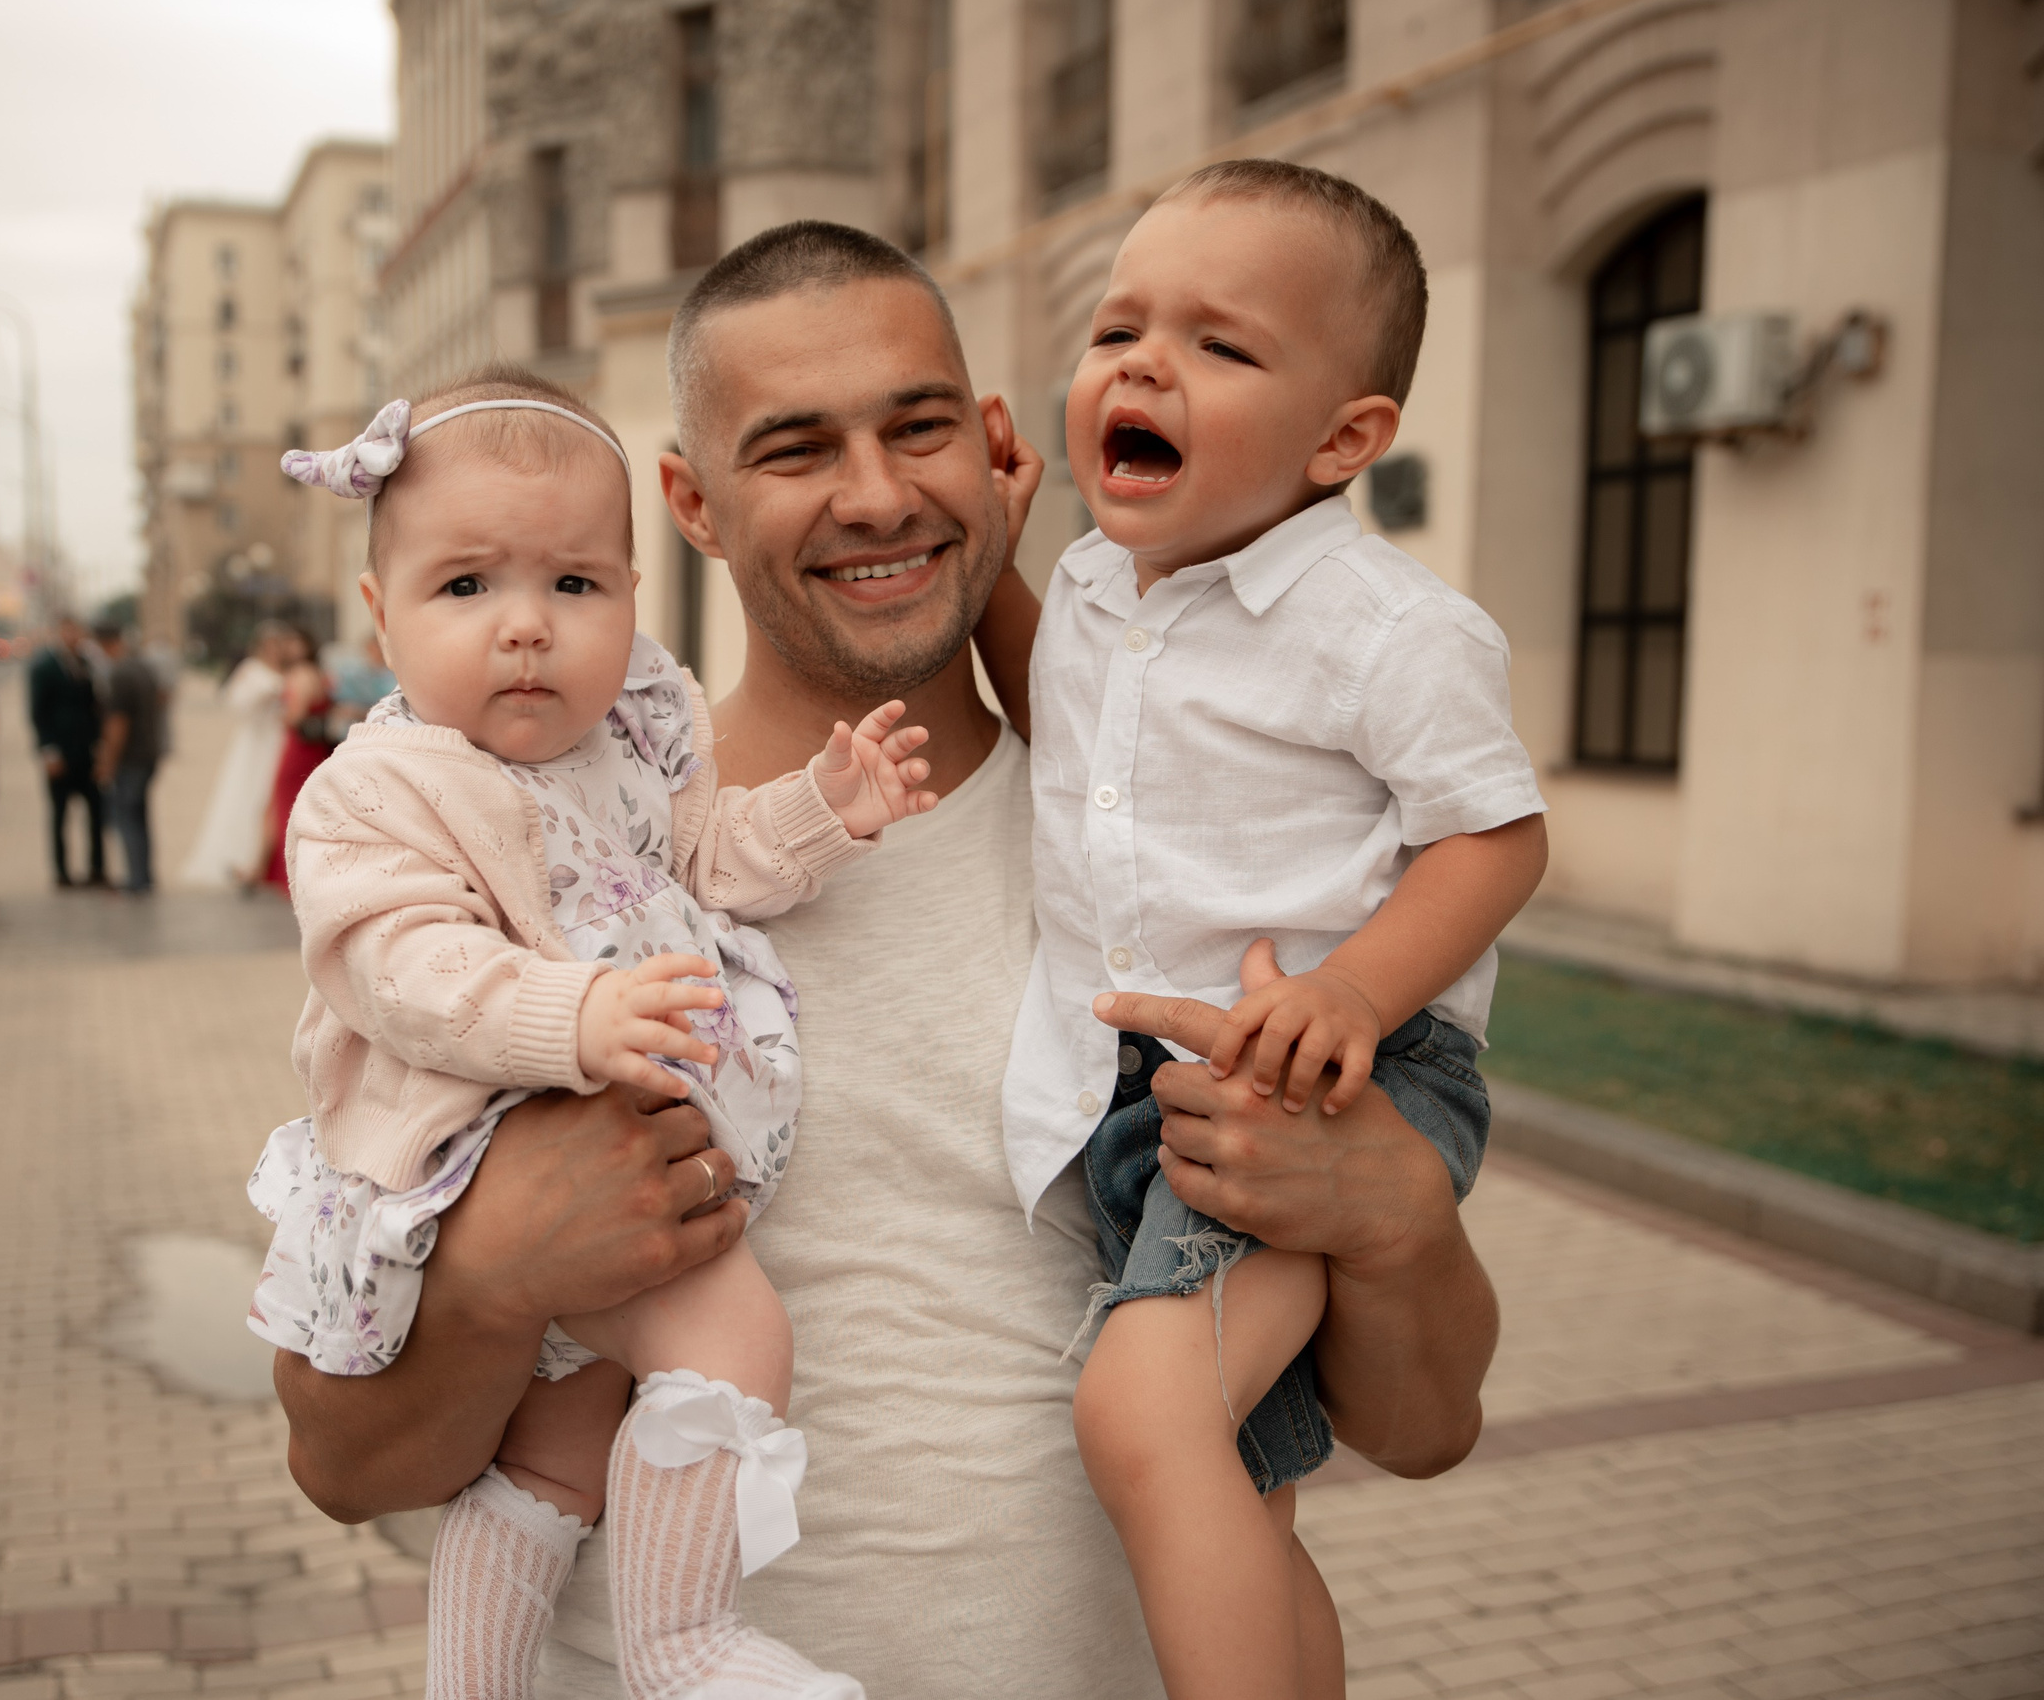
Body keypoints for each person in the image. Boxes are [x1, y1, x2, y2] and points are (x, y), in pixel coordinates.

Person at [271, 222, 1502, 1700]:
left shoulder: (1195, 868)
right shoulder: (532, 875)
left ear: (993, 450)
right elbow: (343, 1462)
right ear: (693, 501)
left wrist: (1397, 1218)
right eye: (794, 449)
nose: (874, 495)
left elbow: (1427, 1427)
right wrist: (491, 1276)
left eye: (918, 428)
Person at [257, 370, 936, 1700]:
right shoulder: (373, 791)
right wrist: (576, 1013)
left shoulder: (631, 742)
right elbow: (400, 966)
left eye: (574, 586)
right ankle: (682, 1639)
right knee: (735, 1335)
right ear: (379, 614)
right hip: (499, 1156)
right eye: (467, 588)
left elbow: (709, 857)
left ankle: (474, 1682)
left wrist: (825, 809)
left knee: (554, 1455)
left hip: (623, 1147)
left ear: (632, 595)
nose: (525, 628)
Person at [972, 161, 1549, 1699]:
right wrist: (988, 587)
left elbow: (1495, 834)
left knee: (1142, 1412)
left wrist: (1357, 990)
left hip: (1326, 1071)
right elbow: (1063, 716)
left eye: (1221, 346)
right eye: (1117, 331)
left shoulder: (1384, 627)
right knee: (1239, 1484)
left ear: (1344, 437)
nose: (1145, 366)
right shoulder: (1100, 585)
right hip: (1150, 1093)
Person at [179, 621, 295, 890]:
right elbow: (235, 703)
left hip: (279, 739)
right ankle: (244, 857)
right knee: (251, 795)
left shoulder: (287, 670)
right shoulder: (251, 670)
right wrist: (267, 694)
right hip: (256, 741)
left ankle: (267, 860)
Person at [28, 616, 107, 889]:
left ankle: (97, 868)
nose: (73, 636)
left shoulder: (88, 663)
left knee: (97, 812)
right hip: (61, 750)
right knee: (60, 814)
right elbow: (38, 712)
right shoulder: (45, 667)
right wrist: (48, 751)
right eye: (68, 631)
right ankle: (61, 871)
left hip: (87, 749)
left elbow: (96, 705)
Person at [257, 625, 337, 893]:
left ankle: (286, 871)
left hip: (297, 748)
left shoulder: (299, 674)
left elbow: (296, 715)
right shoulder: (319, 673)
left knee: (286, 806)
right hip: (315, 749)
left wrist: (277, 714)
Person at [92, 621, 165, 895]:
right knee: (140, 816)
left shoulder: (120, 674)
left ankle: (136, 880)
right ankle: (144, 875)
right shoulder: (143, 667)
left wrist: (107, 761)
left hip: (131, 757)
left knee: (127, 817)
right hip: (148, 751)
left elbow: (117, 723)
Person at [321, 628, 397, 741]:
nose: (374, 652)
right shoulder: (353, 671)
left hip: (379, 735)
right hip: (346, 735)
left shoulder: (392, 677)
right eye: (371, 647)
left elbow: (393, 708)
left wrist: (359, 712)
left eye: (377, 647)